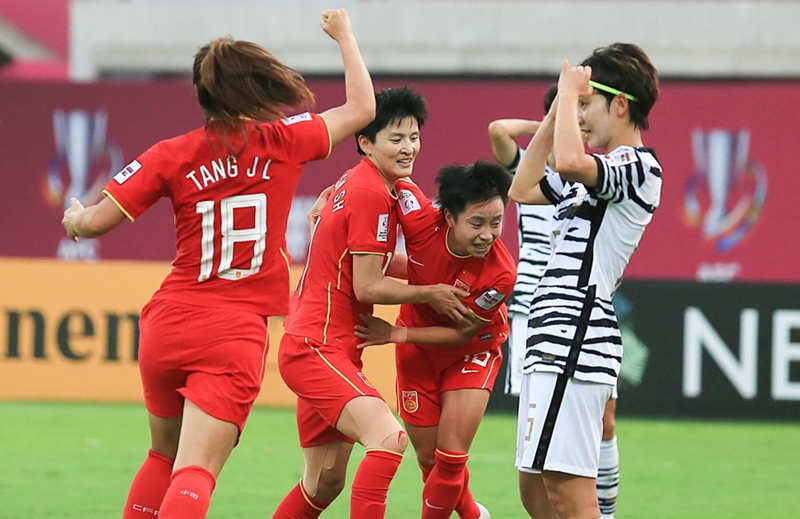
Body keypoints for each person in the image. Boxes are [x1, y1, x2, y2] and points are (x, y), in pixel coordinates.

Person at [61, 9, 375, 519]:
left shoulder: (172, 153)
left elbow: (95, 223)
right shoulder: (283, 142)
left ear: (201, 94)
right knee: (197, 469)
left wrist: (75, 219)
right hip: (232, 331)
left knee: (162, 455)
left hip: (167, 322)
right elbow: (363, 108)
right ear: (255, 89)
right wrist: (344, 36)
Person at [273, 86, 470, 519]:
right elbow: (368, 286)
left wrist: (429, 274)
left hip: (329, 345)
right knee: (389, 439)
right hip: (316, 347)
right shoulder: (371, 193)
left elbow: (369, 258)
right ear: (365, 142)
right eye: (396, 138)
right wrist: (430, 291)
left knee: (324, 481)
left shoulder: (363, 181)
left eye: (414, 137)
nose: (409, 147)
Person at [508, 43, 661, 519]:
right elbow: (522, 187)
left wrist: (568, 94)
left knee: (569, 496)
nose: (582, 116)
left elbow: (572, 162)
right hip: (549, 334)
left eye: (587, 104)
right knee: (534, 491)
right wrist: (559, 110)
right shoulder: (589, 177)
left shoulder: (637, 167)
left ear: (620, 105)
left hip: (576, 335)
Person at [354, 161, 516, 519]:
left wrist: (397, 334)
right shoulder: (419, 221)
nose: (488, 234)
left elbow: (465, 331)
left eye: (496, 222)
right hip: (419, 356)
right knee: (429, 459)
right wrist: (329, 198)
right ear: (449, 217)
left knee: (452, 455)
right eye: (477, 223)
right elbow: (383, 176)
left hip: (472, 352)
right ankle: (474, 515)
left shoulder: (501, 274)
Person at [490, 86, 620, 519]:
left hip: (582, 314)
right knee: (536, 450)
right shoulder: (534, 172)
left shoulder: (588, 176)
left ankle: (606, 510)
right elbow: (498, 131)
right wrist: (546, 120)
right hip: (533, 312)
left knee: (605, 422)